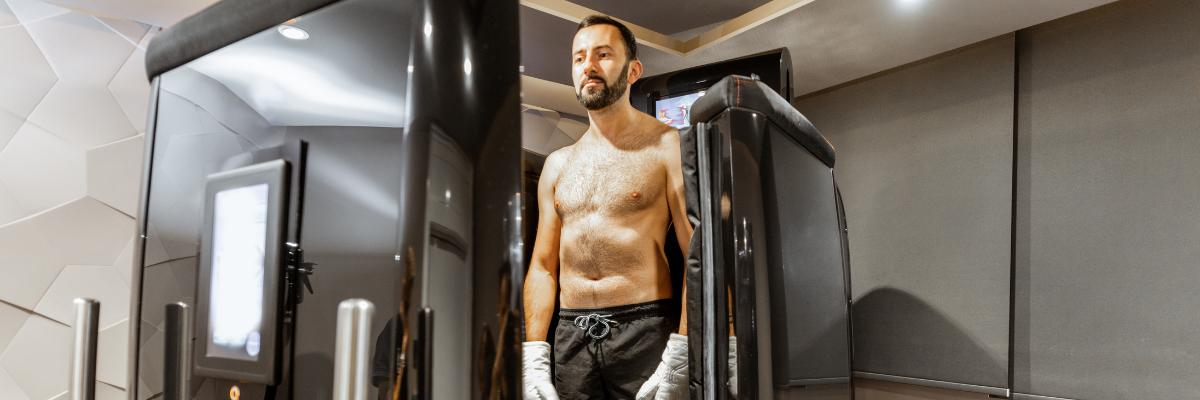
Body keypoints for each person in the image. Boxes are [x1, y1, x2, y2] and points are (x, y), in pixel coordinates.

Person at [522, 14, 693, 400]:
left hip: (643, 330)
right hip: (570, 338)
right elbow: (543, 266)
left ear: (633, 70)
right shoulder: (557, 165)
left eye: (603, 54)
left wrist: (683, 346)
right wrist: (532, 351)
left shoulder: (668, 146)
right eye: (579, 57)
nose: (589, 66)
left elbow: (699, 254)